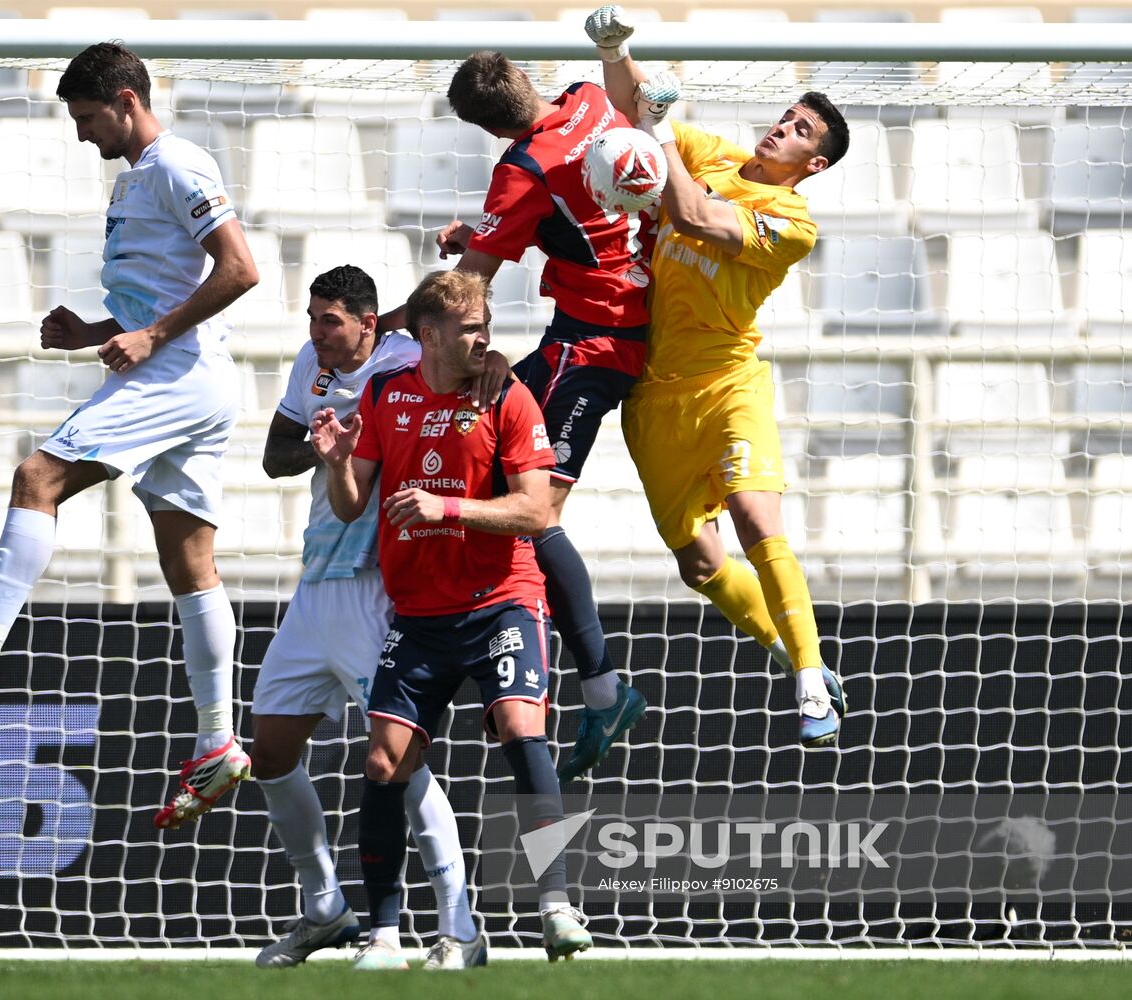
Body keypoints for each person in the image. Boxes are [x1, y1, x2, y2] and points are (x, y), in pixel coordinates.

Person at [0, 42, 261, 824]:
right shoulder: (135, 181)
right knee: (188, 561)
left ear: (125, 100)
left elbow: (240, 269)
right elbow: (163, 286)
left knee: (37, 478)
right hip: (188, 374)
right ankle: (220, 740)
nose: (83, 135)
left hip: (179, 373)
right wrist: (93, 329)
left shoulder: (178, 165)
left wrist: (152, 337)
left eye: (89, 118)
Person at [378, 50, 652, 782]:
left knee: (538, 510)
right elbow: (574, 198)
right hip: (596, 323)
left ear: (486, 129)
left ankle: (602, 690)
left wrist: (391, 326)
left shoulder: (519, 171)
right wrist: (485, 234)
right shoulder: (592, 100)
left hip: (594, 341)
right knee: (494, 433)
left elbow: (468, 294)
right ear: (526, 84)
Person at [583, 6, 849, 747]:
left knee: (753, 517)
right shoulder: (715, 154)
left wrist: (662, 131)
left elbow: (696, 218)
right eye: (784, 117)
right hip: (654, 396)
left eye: (798, 131)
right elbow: (633, 104)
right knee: (700, 565)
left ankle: (808, 686)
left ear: (814, 164)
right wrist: (615, 49)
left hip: (728, 381)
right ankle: (789, 653)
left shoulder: (792, 225)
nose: (779, 129)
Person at [312, 270, 592, 968]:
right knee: (382, 760)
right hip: (418, 611)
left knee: (523, 728)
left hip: (500, 598)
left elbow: (535, 510)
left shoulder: (507, 394)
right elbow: (352, 507)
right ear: (428, 336)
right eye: (470, 328)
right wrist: (338, 465)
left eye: (484, 325)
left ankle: (555, 904)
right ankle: (382, 935)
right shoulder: (386, 393)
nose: (484, 338)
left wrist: (451, 508)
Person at [252, 265, 482, 970]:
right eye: (313, 319)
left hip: (377, 583)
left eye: (329, 321)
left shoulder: (406, 360)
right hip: (316, 579)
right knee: (269, 753)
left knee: (398, 762)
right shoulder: (309, 364)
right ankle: (323, 907)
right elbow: (273, 456)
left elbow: (468, 354)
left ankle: (456, 922)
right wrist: (327, 446)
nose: (316, 333)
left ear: (369, 323)